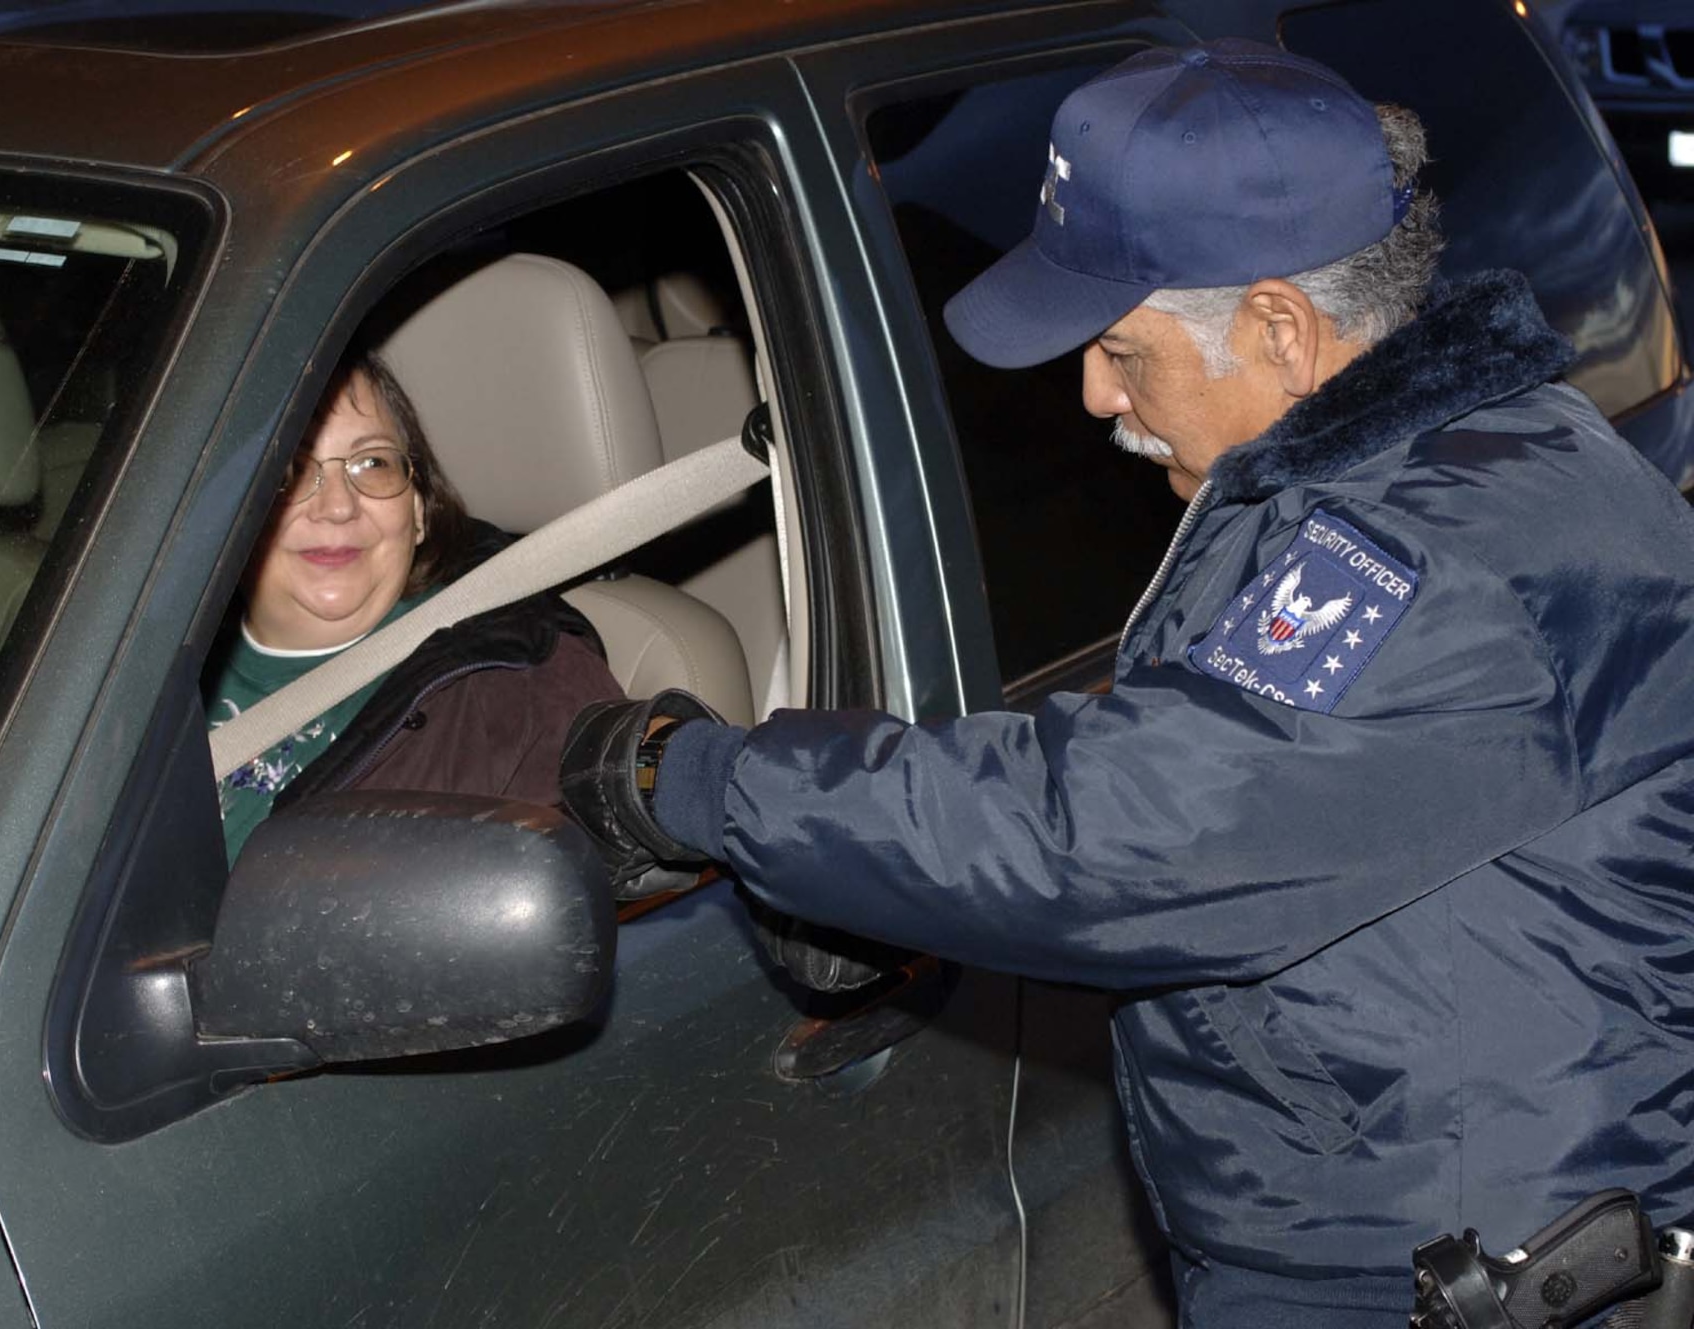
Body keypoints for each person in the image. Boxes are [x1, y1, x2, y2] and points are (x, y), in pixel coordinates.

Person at [559, 39, 1694, 1327]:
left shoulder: (1443, 550)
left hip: (1449, 1270)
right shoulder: (1402, 468)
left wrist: (701, 780)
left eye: (1120, 348)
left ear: (1279, 328)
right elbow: (1219, 751)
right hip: (1402, 1219)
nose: (1093, 392)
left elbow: (1121, 834)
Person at [209, 348, 623, 863]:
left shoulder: (516, 686)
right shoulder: (127, 653)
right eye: (287, 471)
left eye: (373, 463)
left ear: (420, 511)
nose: (338, 505)